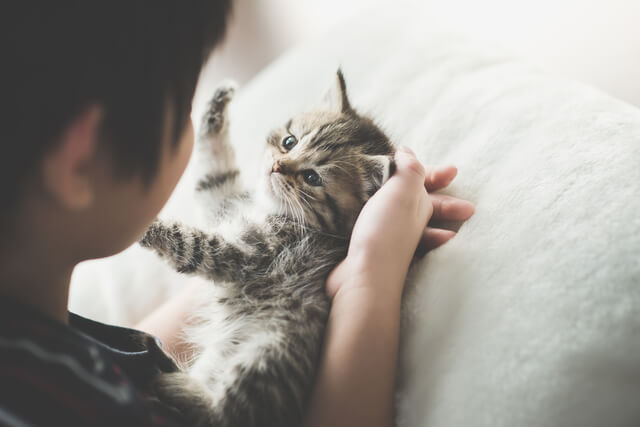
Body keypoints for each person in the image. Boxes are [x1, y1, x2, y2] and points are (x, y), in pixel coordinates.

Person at [0, 2, 474, 426]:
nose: (278, 163)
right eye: (184, 105)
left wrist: (282, 261)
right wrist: (370, 272)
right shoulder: (72, 403)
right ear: (80, 160)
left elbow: (136, 363)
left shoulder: (42, 350)